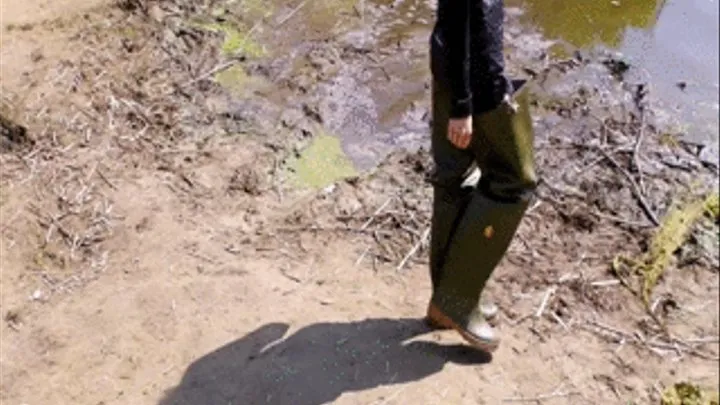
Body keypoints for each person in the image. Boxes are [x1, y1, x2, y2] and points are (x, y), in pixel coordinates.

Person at [425, 0, 538, 353]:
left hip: (455, 67)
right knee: (514, 182)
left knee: (454, 180)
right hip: (473, 82)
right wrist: (462, 105)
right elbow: (460, 18)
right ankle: (456, 299)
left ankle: (447, 297)